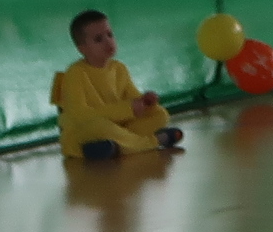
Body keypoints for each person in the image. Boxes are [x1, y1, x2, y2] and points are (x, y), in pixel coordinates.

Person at [51, 10, 184, 161]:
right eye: (98, 39)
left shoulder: (119, 68)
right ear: (83, 48)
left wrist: (144, 101)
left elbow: (132, 97)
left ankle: (110, 148)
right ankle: (152, 142)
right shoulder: (75, 73)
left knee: (160, 114)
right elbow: (80, 115)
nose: (108, 42)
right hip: (84, 130)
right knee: (101, 126)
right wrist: (127, 109)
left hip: (118, 127)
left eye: (110, 34)